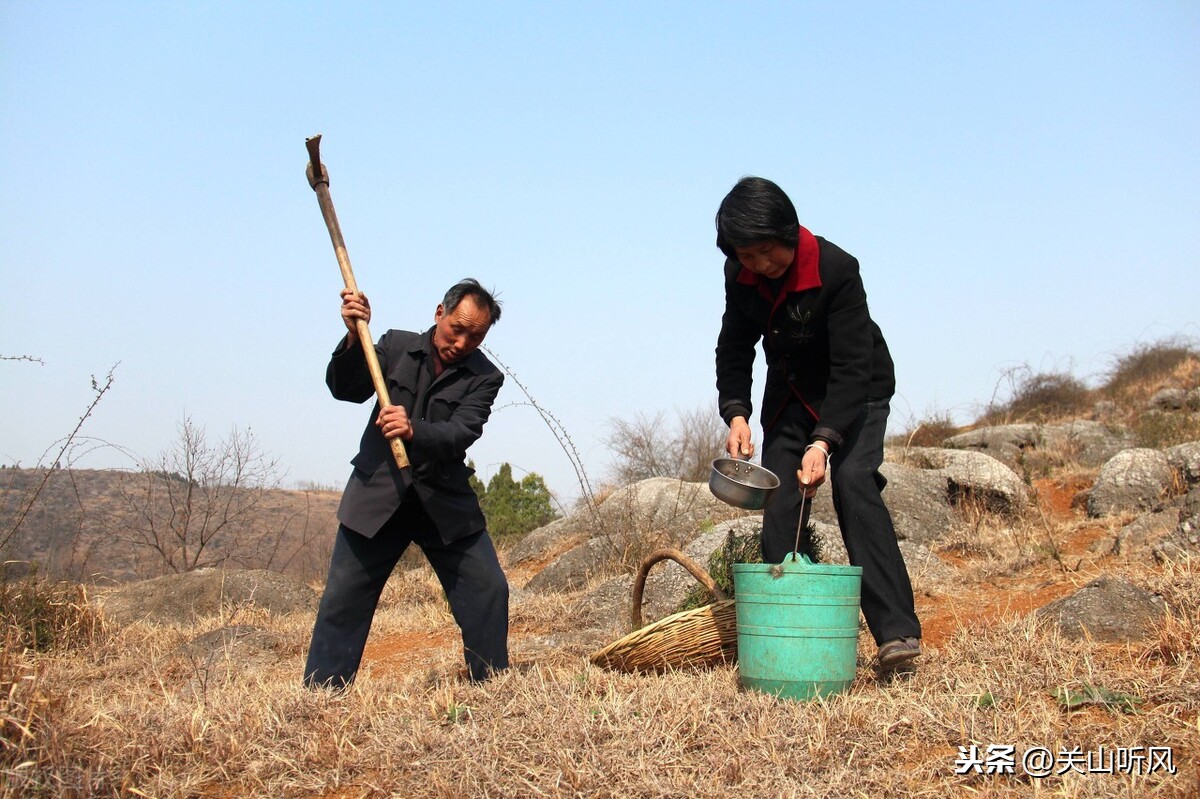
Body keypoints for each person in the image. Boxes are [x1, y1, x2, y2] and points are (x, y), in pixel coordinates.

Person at [713, 177, 922, 674]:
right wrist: (737, 411)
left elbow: (852, 367)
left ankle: (896, 635)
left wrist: (824, 442)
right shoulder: (738, 274)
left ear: (788, 232)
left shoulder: (837, 268)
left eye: (768, 252)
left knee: (854, 483)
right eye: (748, 255)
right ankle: (785, 639)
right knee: (780, 500)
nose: (760, 265)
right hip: (789, 392)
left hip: (858, 391)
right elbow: (735, 344)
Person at [304, 278, 509, 688]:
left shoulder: (485, 376)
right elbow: (344, 389)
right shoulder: (394, 345)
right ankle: (322, 693)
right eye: (458, 328)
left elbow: (460, 433)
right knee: (343, 598)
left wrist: (412, 430)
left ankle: (492, 686)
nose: (462, 341)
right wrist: (352, 333)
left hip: (443, 503)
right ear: (440, 314)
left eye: (476, 335)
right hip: (377, 496)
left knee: (489, 588)